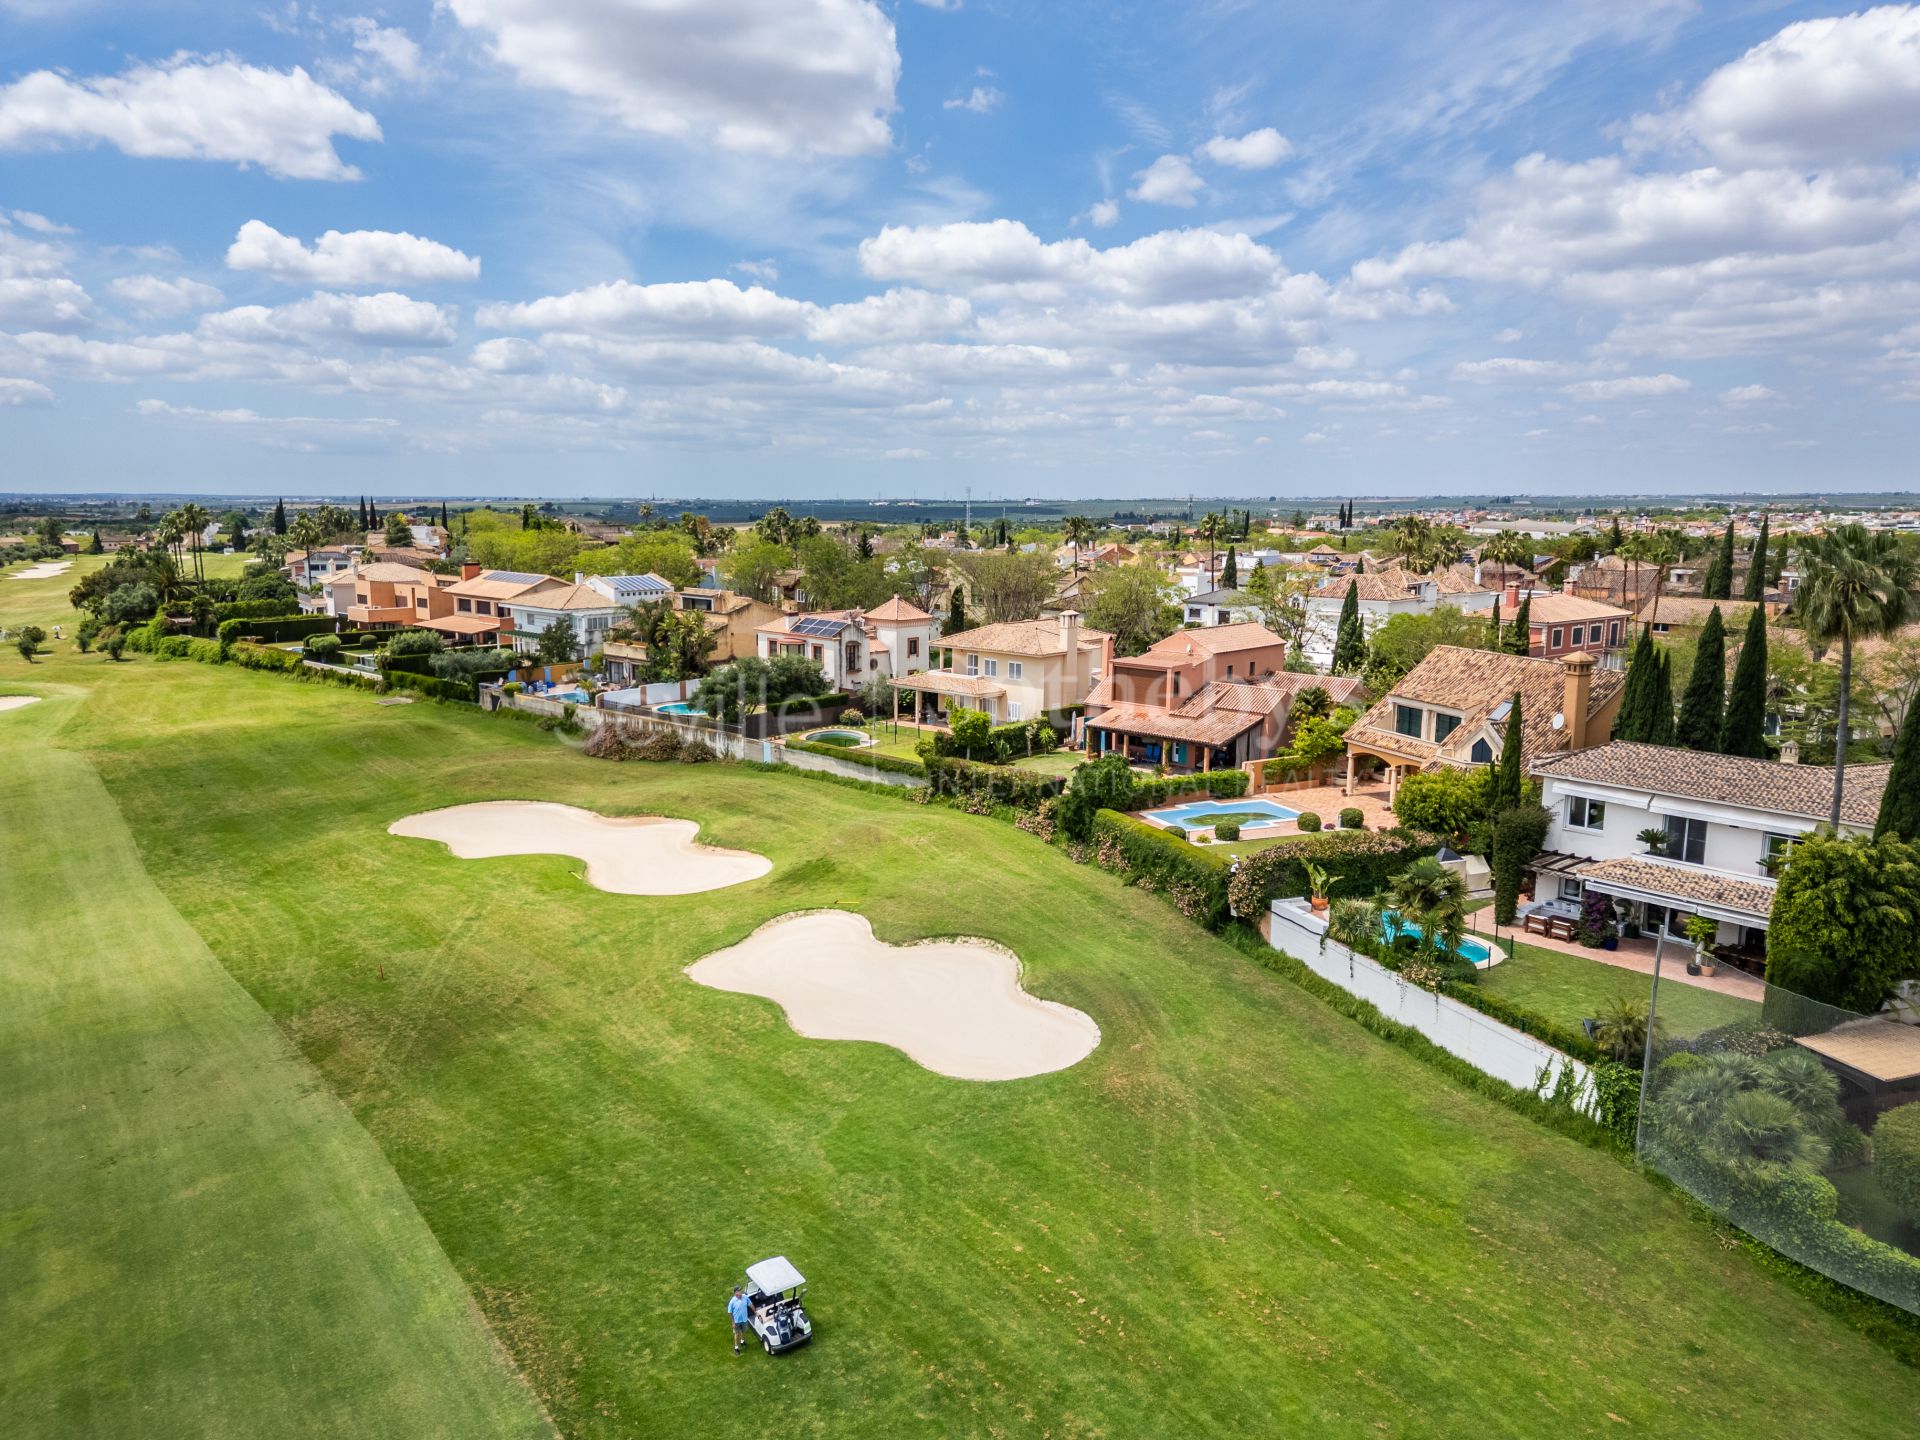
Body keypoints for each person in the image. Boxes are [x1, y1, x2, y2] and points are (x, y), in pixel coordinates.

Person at [727, 1285, 752, 1355]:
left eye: (740, 1290)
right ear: (735, 1293)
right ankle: (736, 1347)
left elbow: (750, 1304)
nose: (741, 1291)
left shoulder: (745, 1297)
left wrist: (755, 1311)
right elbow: (729, 1312)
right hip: (736, 1321)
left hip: (744, 1319)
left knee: (743, 1331)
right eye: (739, 1290)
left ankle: (742, 1341)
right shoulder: (732, 1301)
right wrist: (733, 1322)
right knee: (736, 1334)